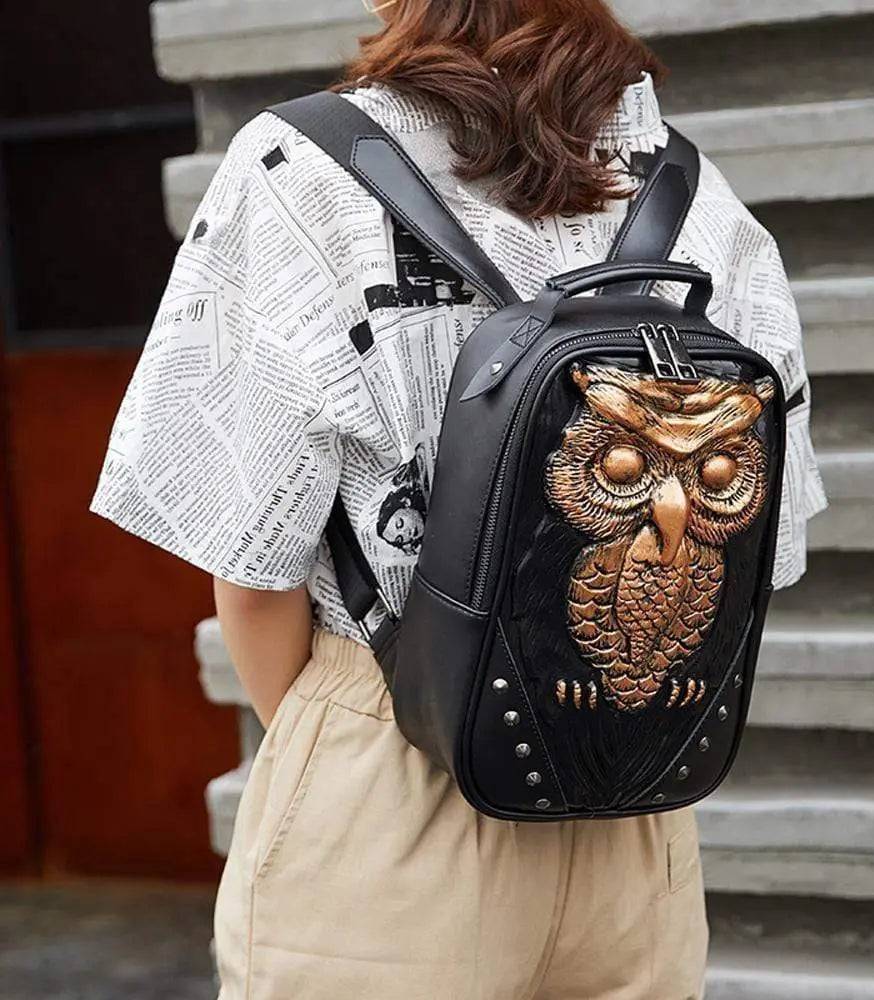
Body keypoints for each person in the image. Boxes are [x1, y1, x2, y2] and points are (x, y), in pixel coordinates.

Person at [91, 0, 826, 997]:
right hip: (634, 802)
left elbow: (255, 578)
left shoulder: (298, 170)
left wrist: (365, 728)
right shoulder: (699, 198)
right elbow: (759, 558)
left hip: (389, 780)